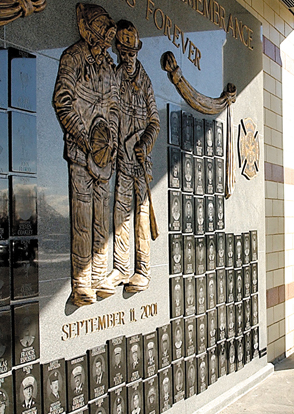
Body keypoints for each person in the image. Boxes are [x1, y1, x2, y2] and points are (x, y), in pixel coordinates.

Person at [53, 3, 119, 305]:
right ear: (89, 30)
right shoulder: (73, 56)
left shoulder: (108, 65)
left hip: (104, 158)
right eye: (102, 33)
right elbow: (62, 100)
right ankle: (81, 281)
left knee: (101, 217)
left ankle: (99, 275)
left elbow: (115, 108)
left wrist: (112, 142)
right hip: (81, 153)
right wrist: (84, 138)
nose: (107, 42)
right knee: (82, 215)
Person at [108, 20, 160, 293]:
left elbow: (155, 121)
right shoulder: (114, 78)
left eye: (132, 53)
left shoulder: (146, 81)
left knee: (141, 214)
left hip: (140, 160)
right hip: (121, 158)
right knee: (120, 212)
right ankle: (120, 267)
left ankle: (142, 270)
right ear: (118, 51)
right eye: (124, 53)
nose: (128, 58)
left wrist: (146, 142)